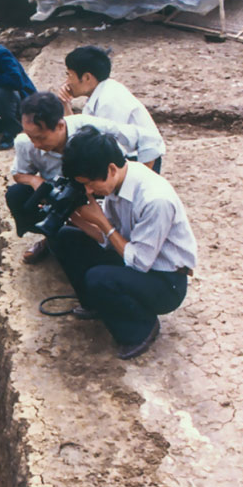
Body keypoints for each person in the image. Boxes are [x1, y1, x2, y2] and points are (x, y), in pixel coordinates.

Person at [50, 126, 197, 359]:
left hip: (165, 282)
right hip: (136, 260)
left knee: (99, 278)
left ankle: (140, 329)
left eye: (90, 184)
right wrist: (79, 221)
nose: (89, 191)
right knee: (65, 237)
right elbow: (110, 242)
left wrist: (101, 221)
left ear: (110, 168)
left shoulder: (155, 199)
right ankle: (96, 305)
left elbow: (138, 261)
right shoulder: (117, 180)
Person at [5, 91, 165, 264]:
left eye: (41, 138)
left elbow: (150, 140)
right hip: (62, 191)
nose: (35, 144)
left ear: (60, 125)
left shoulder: (91, 129)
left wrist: (137, 182)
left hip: (97, 185)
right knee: (17, 195)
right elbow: (18, 174)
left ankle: (107, 243)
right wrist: (35, 181)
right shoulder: (25, 142)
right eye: (30, 137)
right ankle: (48, 236)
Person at [57, 45, 164, 173]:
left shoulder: (109, 100)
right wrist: (65, 104)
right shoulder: (99, 94)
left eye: (69, 75)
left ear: (86, 77)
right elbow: (78, 133)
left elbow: (103, 147)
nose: (67, 81)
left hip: (141, 160)